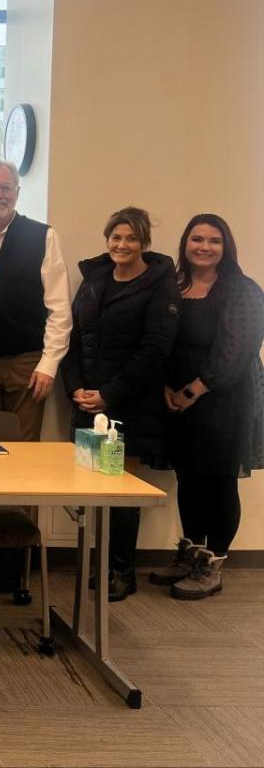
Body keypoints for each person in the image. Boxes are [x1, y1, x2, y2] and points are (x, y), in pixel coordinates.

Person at [60, 206, 180, 601]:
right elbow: (76, 338)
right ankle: (99, 563)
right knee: (94, 486)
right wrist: (75, 386)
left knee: (121, 492)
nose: (122, 244)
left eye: (130, 238)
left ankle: (121, 571)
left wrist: (109, 395)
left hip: (128, 405)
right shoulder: (95, 279)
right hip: (88, 402)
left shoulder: (160, 284)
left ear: (144, 241)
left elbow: (155, 349)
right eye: (116, 237)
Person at [154, 214, 264, 599]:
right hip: (179, 401)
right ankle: (191, 553)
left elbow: (237, 352)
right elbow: (163, 340)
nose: (204, 247)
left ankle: (212, 565)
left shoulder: (241, 290)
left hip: (224, 402)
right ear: (185, 243)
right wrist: (169, 386)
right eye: (196, 239)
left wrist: (193, 391)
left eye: (214, 240)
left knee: (219, 482)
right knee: (189, 479)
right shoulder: (175, 286)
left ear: (226, 246)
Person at [0, 161, 72, 441]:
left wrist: (49, 364)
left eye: (5, 188)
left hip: (28, 364)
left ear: (17, 192)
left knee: (24, 448)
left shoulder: (43, 236)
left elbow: (59, 308)